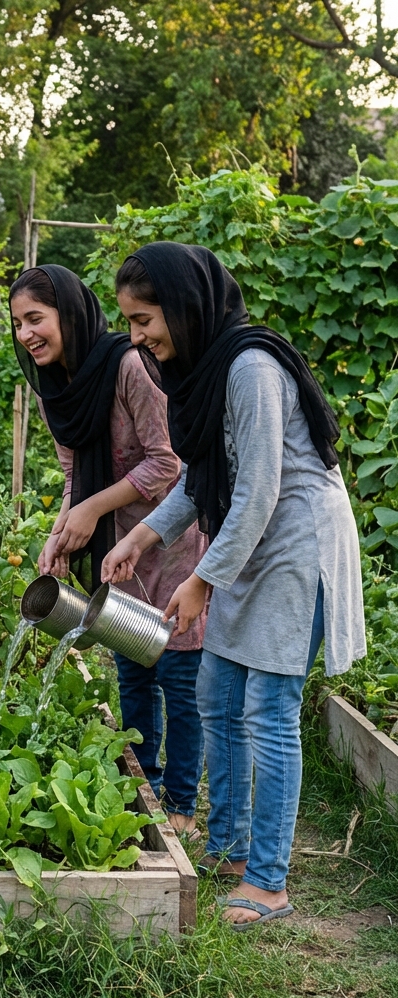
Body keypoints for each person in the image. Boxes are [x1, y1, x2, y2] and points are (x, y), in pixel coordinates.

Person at [102, 242, 365, 930]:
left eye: (143, 319)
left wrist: (200, 579)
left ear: (183, 307)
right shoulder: (206, 368)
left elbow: (260, 487)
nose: (138, 338)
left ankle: (269, 882)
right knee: (218, 694)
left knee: (270, 711)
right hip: (254, 539)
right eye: (128, 323)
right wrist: (140, 537)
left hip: (296, 542)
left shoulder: (248, 367)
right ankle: (230, 847)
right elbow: (201, 476)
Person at [9, 265, 208, 837]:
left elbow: (167, 461)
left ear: (68, 314)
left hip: (166, 537)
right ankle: (144, 784)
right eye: (18, 323)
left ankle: (183, 805)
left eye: (36, 319)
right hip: (115, 548)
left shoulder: (128, 365)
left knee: (175, 668)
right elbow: (75, 474)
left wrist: (92, 510)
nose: (26, 334)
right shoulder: (54, 389)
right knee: (131, 669)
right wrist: (60, 531)